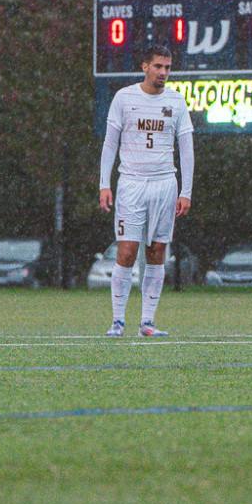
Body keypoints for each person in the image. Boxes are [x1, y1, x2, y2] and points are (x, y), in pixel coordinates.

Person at [98, 46, 194, 337]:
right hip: (131, 183)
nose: (163, 72)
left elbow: (186, 147)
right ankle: (117, 321)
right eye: (158, 66)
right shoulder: (124, 98)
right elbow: (110, 143)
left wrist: (186, 190)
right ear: (144, 67)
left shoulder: (176, 102)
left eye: (167, 67)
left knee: (158, 251)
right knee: (126, 251)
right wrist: (104, 183)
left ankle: (147, 323)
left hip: (165, 184)